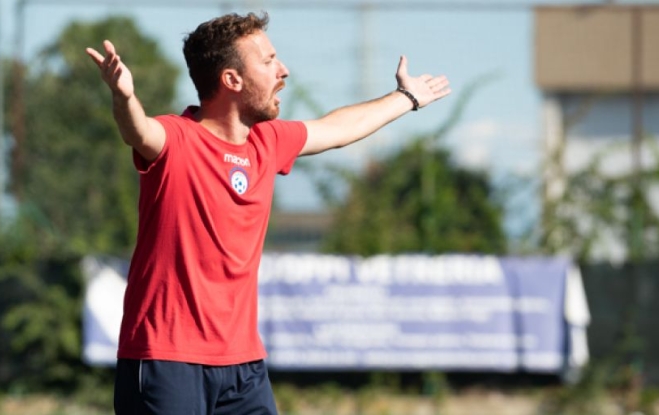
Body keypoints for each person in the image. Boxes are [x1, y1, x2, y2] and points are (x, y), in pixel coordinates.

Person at [86, 11, 450, 415]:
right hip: (167, 361)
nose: (283, 70)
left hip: (243, 366)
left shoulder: (268, 142)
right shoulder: (177, 139)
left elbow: (338, 128)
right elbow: (139, 131)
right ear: (232, 80)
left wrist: (406, 97)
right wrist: (124, 97)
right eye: (268, 61)